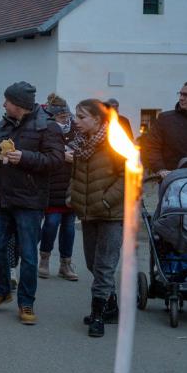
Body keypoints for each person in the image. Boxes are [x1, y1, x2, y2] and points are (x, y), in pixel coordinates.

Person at [0, 81, 64, 325]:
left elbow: (56, 160)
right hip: (2, 196)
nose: (4, 104)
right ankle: (2, 290)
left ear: (19, 105)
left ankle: (26, 302)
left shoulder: (48, 126)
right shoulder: (4, 124)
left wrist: (24, 157)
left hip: (30, 200)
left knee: (28, 255)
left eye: (7, 101)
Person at [68, 99, 125, 338]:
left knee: (104, 266)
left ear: (97, 119)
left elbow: (129, 178)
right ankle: (111, 306)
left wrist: (105, 201)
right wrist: (73, 196)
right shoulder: (81, 144)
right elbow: (76, 174)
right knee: (92, 262)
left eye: (82, 117)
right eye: (76, 116)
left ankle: (98, 316)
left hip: (111, 214)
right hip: (89, 212)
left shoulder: (116, 142)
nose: (76, 121)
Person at [39, 94, 79, 281]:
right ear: (52, 117)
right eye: (62, 117)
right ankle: (44, 260)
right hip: (52, 183)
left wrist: (76, 157)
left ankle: (65, 263)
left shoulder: (77, 131)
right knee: (51, 223)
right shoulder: (46, 129)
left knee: (69, 227)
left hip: (72, 184)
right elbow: (43, 151)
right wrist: (62, 154)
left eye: (67, 116)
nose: (66, 120)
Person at [142, 80, 187, 175]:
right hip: (171, 180)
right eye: (180, 94)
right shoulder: (165, 119)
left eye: (186, 95)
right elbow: (151, 147)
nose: (181, 98)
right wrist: (160, 169)